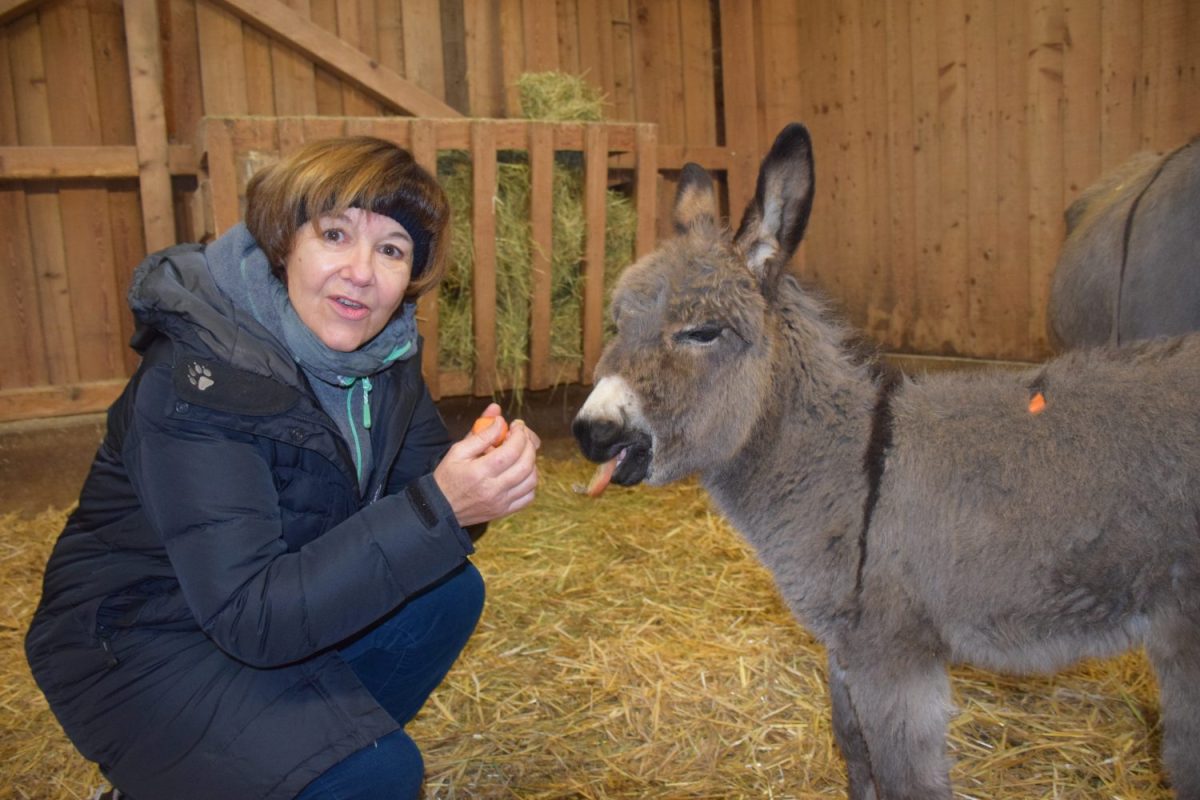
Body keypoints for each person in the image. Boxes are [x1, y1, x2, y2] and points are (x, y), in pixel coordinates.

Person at [25, 136, 541, 800]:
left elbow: (422, 511)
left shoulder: (383, 360)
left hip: (264, 602)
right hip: (136, 638)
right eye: (335, 234)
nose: (362, 270)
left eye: (391, 249)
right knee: (378, 778)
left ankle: (287, 756)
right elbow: (251, 611)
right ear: (283, 242)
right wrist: (441, 506)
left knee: (447, 594)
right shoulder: (201, 379)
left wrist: (475, 487)